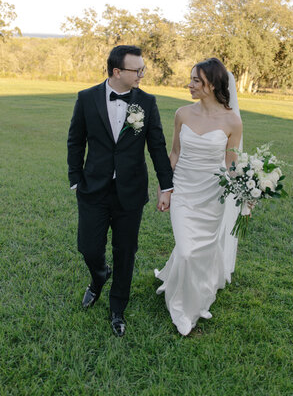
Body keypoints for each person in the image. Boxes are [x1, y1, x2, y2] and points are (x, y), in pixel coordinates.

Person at [67, 45, 173, 337]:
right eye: (137, 70)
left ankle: (117, 308)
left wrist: (167, 185)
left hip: (130, 191)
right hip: (93, 189)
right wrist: (75, 178)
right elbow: (76, 140)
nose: (142, 74)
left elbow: (157, 146)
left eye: (142, 69)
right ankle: (99, 275)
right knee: (88, 247)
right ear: (117, 72)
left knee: (125, 251)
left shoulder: (147, 103)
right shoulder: (87, 98)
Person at [154, 57, 242, 335]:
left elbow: (231, 164)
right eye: (191, 78)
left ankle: (197, 290)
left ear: (213, 85)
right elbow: (175, 153)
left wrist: (247, 190)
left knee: (201, 249)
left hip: (211, 195)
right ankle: (183, 308)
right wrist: (164, 189)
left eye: (196, 80)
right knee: (187, 249)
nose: (189, 85)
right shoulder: (182, 113)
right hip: (183, 190)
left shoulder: (232, 121)